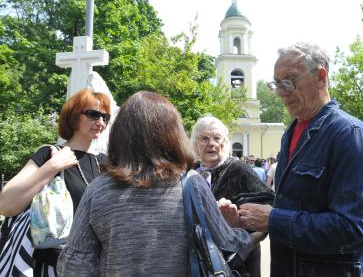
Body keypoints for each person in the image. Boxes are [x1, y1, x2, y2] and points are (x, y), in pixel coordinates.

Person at [57, 91, 263, 276]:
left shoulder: (98, 189)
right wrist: (258, 232)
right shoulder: (191, 184)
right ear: (173, 135)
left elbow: (74, 265)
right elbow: (229, 245)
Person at [236, 42, 363, 276]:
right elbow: (299, 203)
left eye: (289, 80)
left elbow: (354, 229)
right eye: (276, 83)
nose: (282, 91)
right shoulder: (291, 134)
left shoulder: (349, 134)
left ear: (321, 77)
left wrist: (273, 220)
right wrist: (250, 216)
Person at [0, 89, 111, 276]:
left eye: (105, 117)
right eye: (93, 114)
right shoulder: (50, 154)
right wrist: (52, 167)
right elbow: (6, 204)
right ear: (74, 116)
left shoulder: (108, 163)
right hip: (52, 266)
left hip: (96, 267)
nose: (100, 122)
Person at [190, 115, 274, 277]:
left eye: (217, 138)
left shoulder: (238, 169)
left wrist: (240, 227)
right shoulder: (191, 172)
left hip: (238, 263)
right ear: (196, 144)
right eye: (204, 138)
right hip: (201, 261)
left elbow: (268, 208)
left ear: (225, 143)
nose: (212, 144)